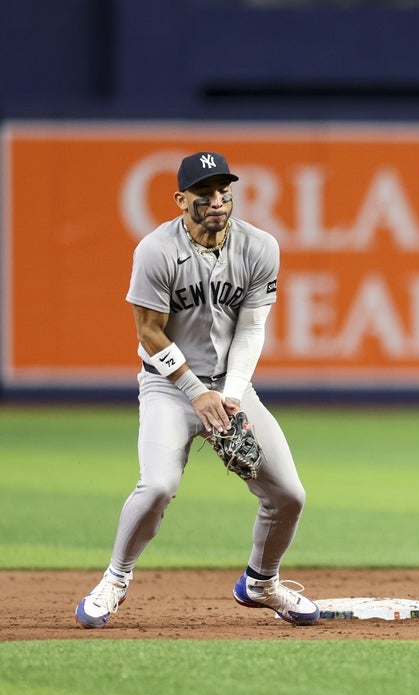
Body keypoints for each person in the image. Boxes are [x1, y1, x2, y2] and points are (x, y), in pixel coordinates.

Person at [75, 151, 320, 628]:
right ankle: (115, 579)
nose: (217, 202)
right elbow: (149, 332)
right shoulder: (156, 250)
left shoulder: (260, 246)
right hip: (168, 387)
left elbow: (251, 329)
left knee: (289, 494)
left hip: (229, 386)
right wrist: (194, 391)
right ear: (180, 199)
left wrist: (232, 394)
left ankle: (261, 582)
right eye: (204, 194)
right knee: (158, 486)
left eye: (224, 192)